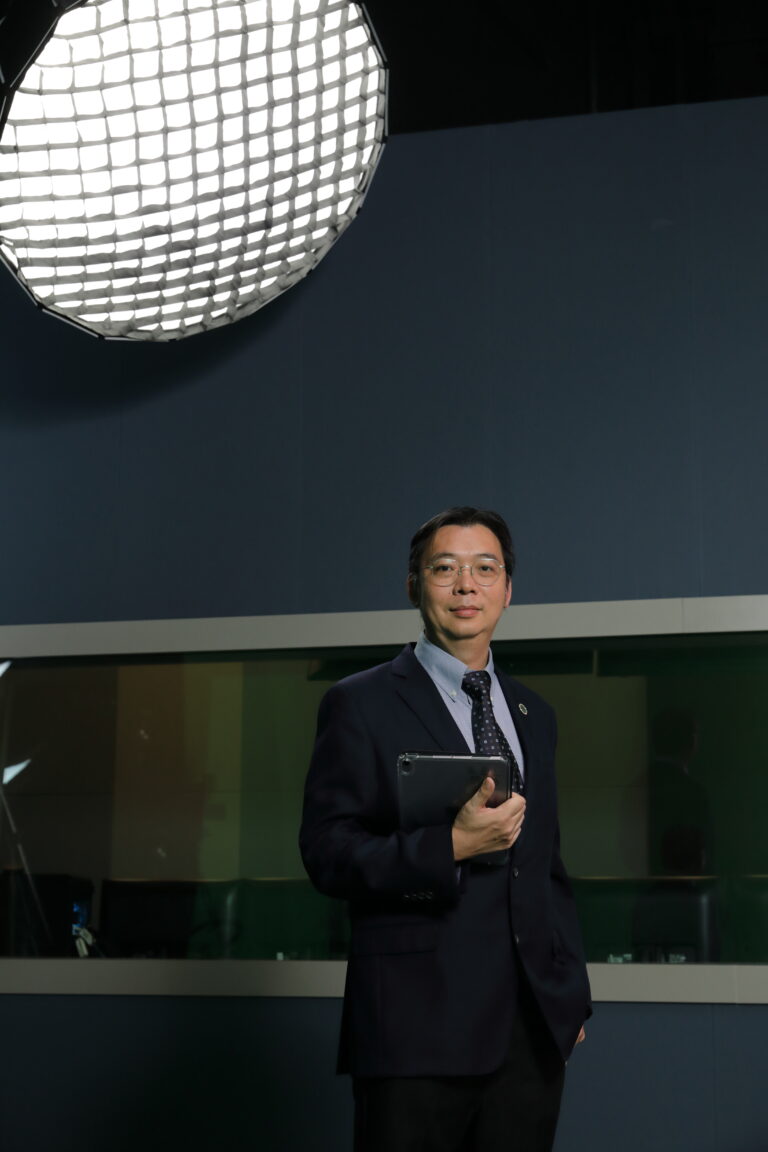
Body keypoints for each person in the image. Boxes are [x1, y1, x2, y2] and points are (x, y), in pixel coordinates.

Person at [300, 507, 591, 1152]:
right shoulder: (360, 702)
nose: (466, 585)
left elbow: (548, 868)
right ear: (414, 586)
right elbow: (326, 852)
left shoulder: (534, 714)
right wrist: (451, 846)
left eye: (486, 568)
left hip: (531, 1033)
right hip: (415, 1029)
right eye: (445, 568)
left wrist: (571, 992)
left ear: (508, 590)